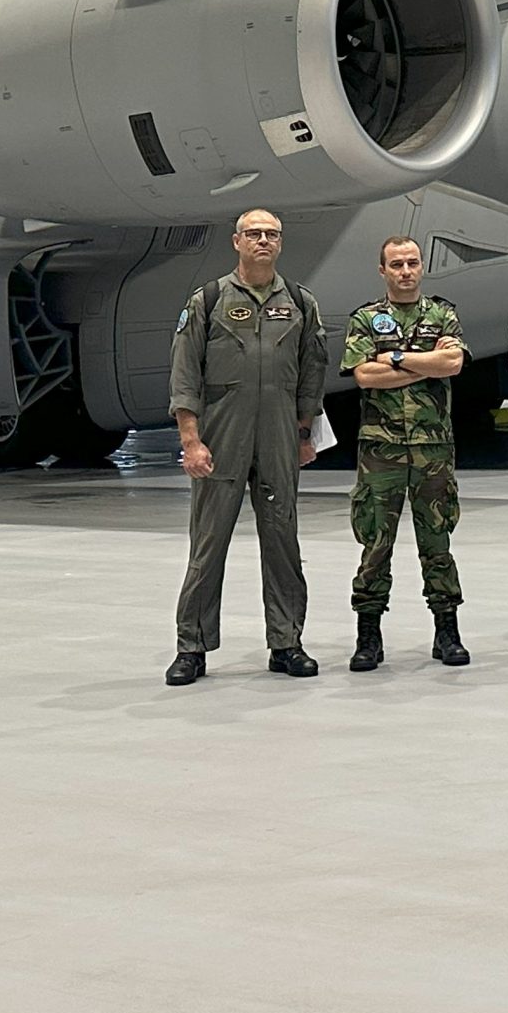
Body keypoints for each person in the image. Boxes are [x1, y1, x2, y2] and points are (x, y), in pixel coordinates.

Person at [163, 208, 328, 686]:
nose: (263, 241)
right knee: (209, 543)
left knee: (282, 542)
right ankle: (191, 647)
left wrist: (303, 434)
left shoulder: (299, 301)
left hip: (278, 436)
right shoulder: (208, 300)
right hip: (222, 436)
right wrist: (191, 441)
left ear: (280, 243)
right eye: (254, 234)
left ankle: (286, 642)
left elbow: (311, 372)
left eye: (272, 234)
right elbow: (184, 375)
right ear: (236, 241)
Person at [341, 235, 469, 672]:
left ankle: (446, 629)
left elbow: (451, 365)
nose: (406, 271)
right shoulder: (366, 318)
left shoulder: (442, 314)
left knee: (437, 542)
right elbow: (363, 376)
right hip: (381, 451)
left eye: (412, 262)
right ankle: (368, 635)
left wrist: (393, 358)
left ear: (421, 267)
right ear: (383, 270)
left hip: (433, 448)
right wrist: (420, 361)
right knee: (376, 544)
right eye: (396, 264)